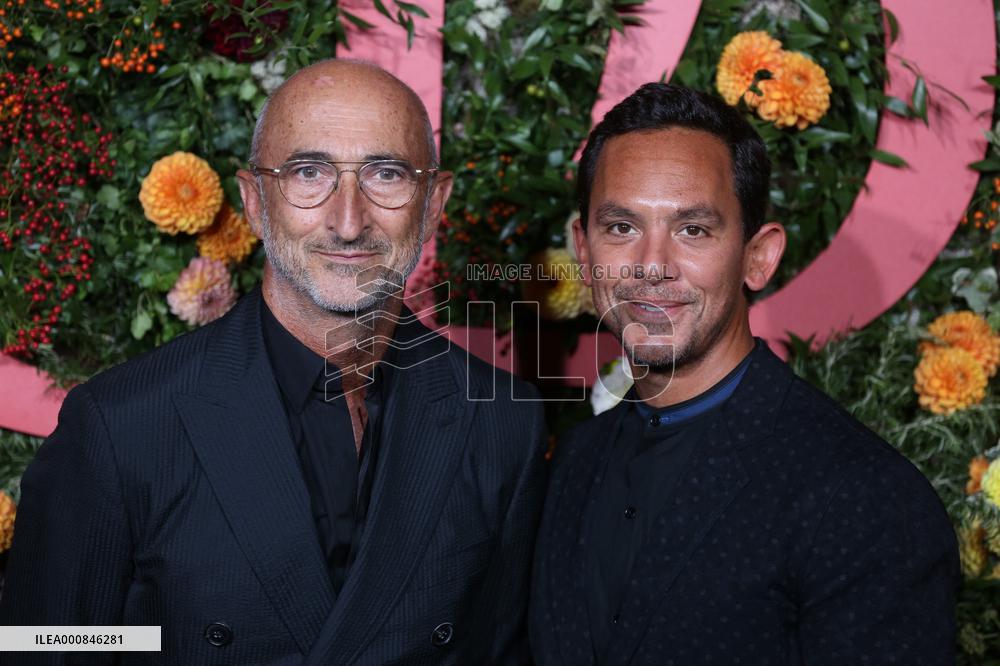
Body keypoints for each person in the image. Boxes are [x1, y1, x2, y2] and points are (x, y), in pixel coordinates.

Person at [1, 60, 546, 665]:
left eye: (386, 174)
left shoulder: (502, 423)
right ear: (255, 201)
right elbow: (48, 645)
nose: (348, 222)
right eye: (309, 173)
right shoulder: (120, 424)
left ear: (434, 202)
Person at [530, 82, 959, 665]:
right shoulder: (571, 464)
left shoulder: (863, 496)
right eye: (622, 227)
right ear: (584, 251)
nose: (651, 266)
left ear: (758, 257)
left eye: (693, 230)